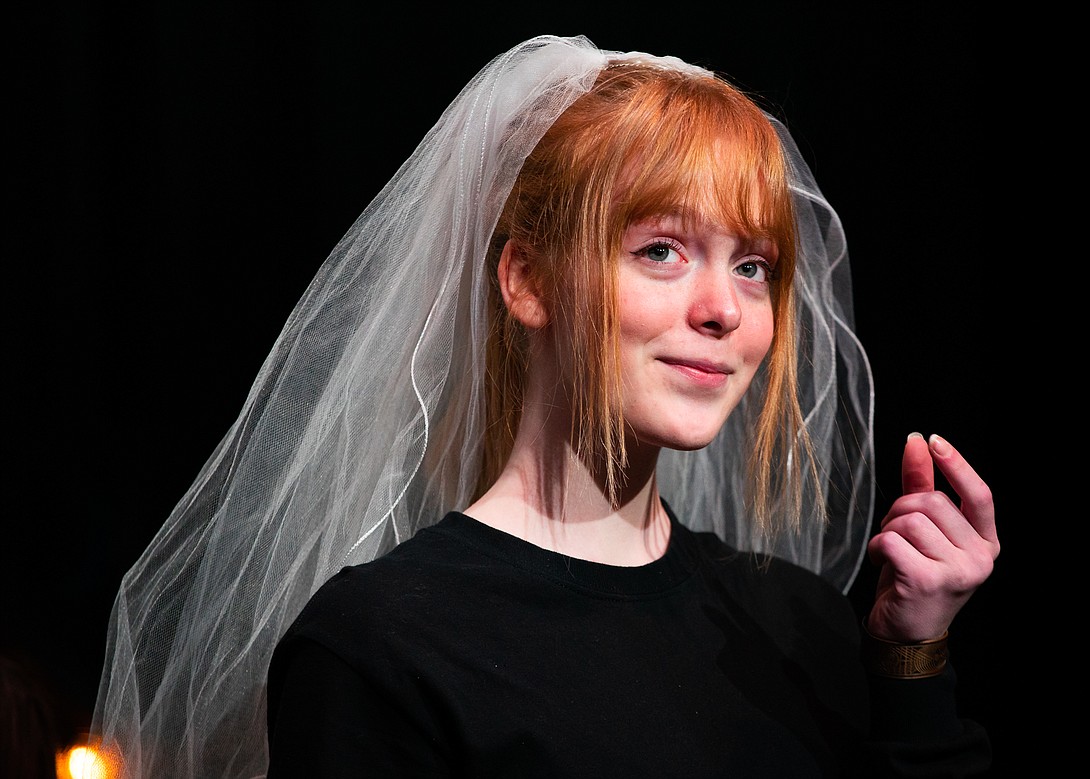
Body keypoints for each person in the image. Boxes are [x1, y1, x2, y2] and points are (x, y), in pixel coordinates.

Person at [91, 35, 997, 778]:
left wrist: (910, 661)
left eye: (753, 265)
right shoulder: (384, 647)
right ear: (527, 279)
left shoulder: (800, 625)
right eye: (661, 251)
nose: (724, 307)